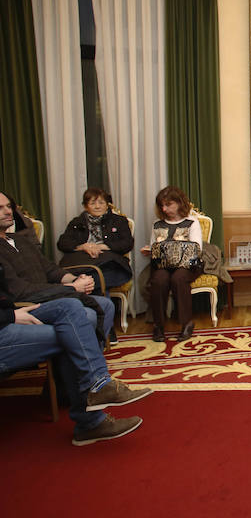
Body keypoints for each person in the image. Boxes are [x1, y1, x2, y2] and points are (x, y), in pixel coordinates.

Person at [0, 263, 152, 445]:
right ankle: (90, 421)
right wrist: (11, 317)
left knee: (70, 307)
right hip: (5, 324)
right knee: (71, 334)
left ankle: (98, 385)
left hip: (11, 313)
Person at [0, 192, 115, 339]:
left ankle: (85, 355)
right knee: (88, 314)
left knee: (106, 305)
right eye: (1, 208)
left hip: (50, 295)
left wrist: (75, 280)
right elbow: (20, 290)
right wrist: (71, 288)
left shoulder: (20, 240)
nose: (8, 211)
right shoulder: (77, 222)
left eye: (9, 206)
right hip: (29, 303)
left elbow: (50, 269)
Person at [140, 186, 203, 343]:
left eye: (168, 204)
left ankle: (186, 323)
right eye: (162, 205)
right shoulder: (157, 224)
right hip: (163, 264)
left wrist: (172, 249)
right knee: (159, 280)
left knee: (178, 279)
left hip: (188, 265)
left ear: (179, 203)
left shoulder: (191, 222)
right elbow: (154, 247)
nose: (164, 208)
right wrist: (150, 250)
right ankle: (159, 325)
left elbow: (196, 249)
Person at [57, 187, 134, 291]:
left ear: (107, 205)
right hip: (81, 265)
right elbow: (62, 243)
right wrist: (83, 246)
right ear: (85, 206)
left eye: (101, 203)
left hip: (109, 265)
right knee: (89, 281)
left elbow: (127, 243)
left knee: (95, 280)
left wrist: (104, 246)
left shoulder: (119, 221)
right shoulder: (77, 222)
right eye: (92, 203)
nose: (97, 207)